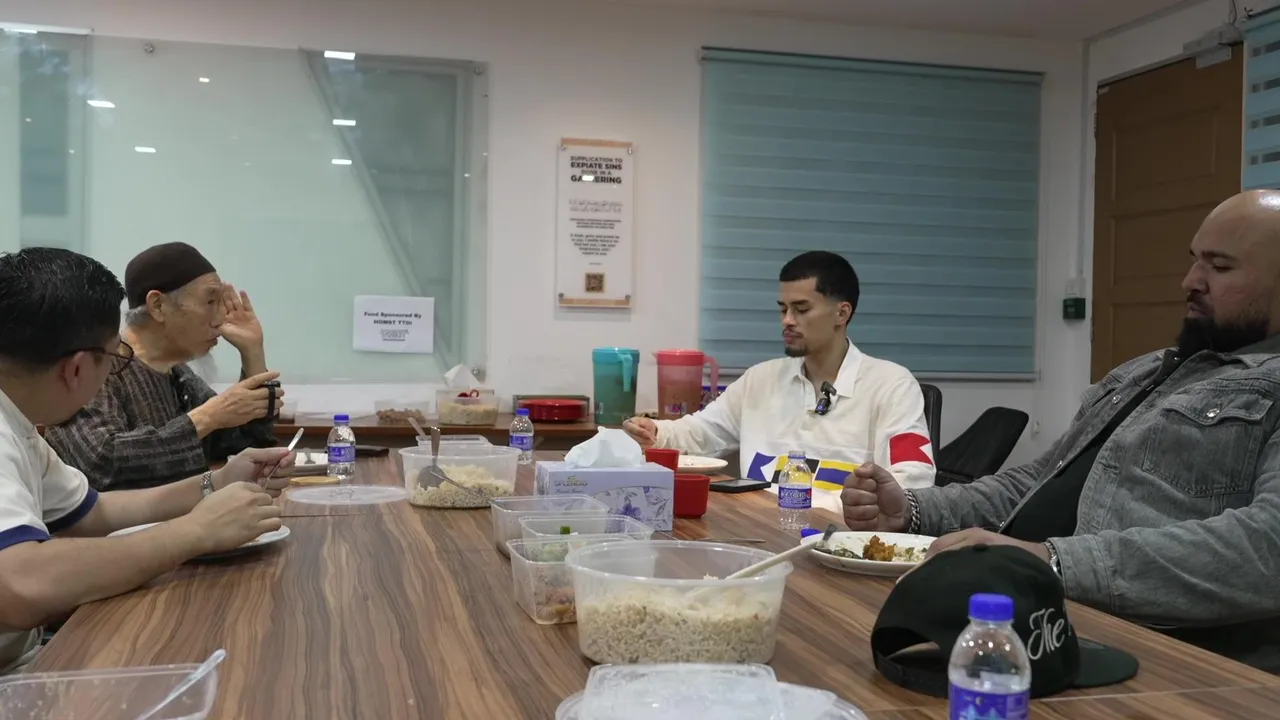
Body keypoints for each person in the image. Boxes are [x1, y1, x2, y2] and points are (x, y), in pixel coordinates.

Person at [843, 189, 1280, 673]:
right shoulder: (1147, 370)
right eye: (1195, 260)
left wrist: (1050, 561)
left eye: (1219, 267)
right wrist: (913, 511)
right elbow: (1039, 481)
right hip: (1026, 616)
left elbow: (1269, 548)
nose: (1190, 281)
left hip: (1151, 655)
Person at [0, 247, 292, 675]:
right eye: (114, 359)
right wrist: (193, 532)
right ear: (76, 369)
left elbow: (91, 511)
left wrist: (216, 483)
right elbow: (20, 584)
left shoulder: (20, 424)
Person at [623, 251, 935, 513]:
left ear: (842, 313)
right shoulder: (761, 378)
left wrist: (826, 507)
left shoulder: (892, 385)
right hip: (760, 532)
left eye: (801, 309)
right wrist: (656, 433)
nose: (787, 320)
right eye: (783, 309)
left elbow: (913, 480)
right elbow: (702, 433)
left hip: (840, 540)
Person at [45, 242, 282, 490]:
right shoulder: (100, 367)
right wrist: (207, 416)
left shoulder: (178, 375)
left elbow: (243, 442)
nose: (221, 318)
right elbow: (101, 463)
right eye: (211, 301)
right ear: (158, 306)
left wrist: (252, 351)